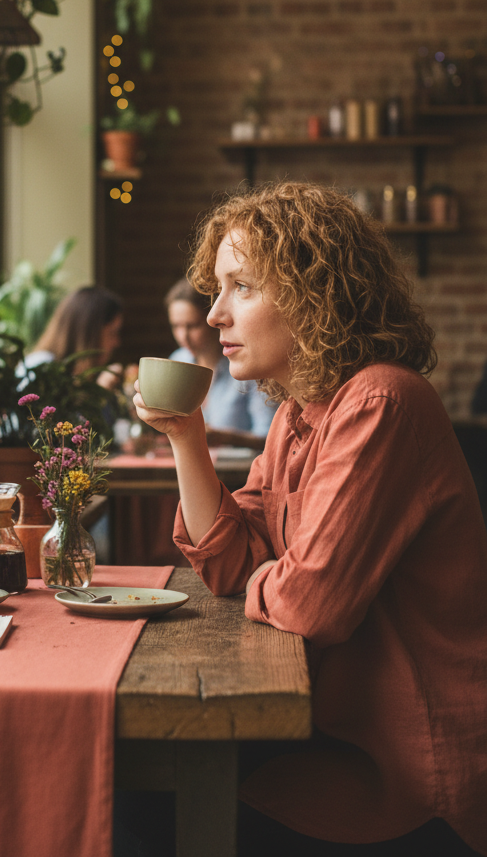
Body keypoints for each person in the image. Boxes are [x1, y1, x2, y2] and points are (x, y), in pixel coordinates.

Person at [135, 181, 487, 856]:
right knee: (134, 787)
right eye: (218, 289)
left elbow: (310, 604)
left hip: (410, 771)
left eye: (241, 287)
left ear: (312, 294)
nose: (214, 315)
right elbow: (229, 563)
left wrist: (270, 578)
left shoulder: (380, 403)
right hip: (333, 735)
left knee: (142, 807)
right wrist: (186, 437)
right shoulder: (298, 413)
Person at [165, 278, 274, 450]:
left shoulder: (247, 366)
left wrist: (224, 438)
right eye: (176, 326)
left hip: (240, 466)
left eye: (193, 326)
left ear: (213, 321)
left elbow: (270, 439)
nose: (183, 336)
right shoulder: (178, 362)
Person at [23, 286, 124, 391]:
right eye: (112, 333)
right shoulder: (39, 369)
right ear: (89, 334)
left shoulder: (74, 374)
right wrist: (100, 391)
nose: (117, 342)